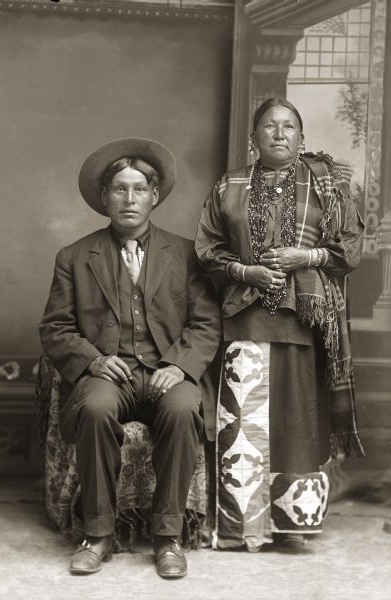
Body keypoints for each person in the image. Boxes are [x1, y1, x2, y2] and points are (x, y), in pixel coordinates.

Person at [39, 138, 221, 577]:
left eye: (139, 189)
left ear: (154, 196)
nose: (129, 199)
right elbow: (55, 327)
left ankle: (168, 536)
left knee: (182, 408)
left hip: (166, 372)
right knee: (97, 407)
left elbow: (206, 323)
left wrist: (178, 366)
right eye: (119, 189)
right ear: (104, 198)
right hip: (109, 375)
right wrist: (94, 361)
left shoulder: (184, 254)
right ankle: (98, 534)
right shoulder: (75, 256)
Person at [195, 98, 365, 552]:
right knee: (243, 425)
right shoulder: (229, 186)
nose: (279, 133)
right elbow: (207, 250)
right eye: (268, 126)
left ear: (302, 138)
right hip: (243, 320)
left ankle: (293, 527)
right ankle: (241, 527)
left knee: (296, 422)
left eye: (289, 126)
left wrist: (304, 257)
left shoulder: (325, 184)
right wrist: (246, 272)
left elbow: (349, 250)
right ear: (253, 140)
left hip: (301, 321)